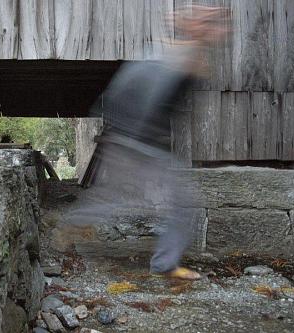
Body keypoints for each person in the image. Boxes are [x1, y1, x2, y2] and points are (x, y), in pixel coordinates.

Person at [67, 5, 229, 280]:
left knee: (118, 198)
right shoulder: (168, 55)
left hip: (139, 142)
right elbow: (128, 93)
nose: (222, 32)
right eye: (214, 25)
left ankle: (70, 224)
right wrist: (130, 137)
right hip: (137, 142)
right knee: (179, 203)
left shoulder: (187, 55)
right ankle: (163, 265)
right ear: (197, 26)